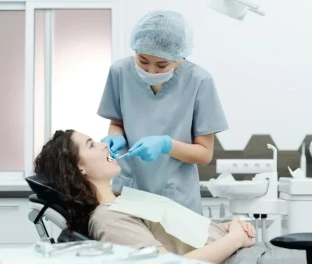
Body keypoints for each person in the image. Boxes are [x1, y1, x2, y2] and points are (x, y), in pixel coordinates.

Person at [34, 130, 307, 264]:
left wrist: (225, 226)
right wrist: (234, 239)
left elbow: (178, 236)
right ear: (78, 167)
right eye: (92, 144)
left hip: (249, 252)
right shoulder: (108, 219)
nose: (105, 143)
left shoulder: (121, 200)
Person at [97, 10, 229, 215]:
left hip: (176, 200)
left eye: (161, 65)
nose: (150, 71)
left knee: (180, 248)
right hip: (127, 193)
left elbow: (204, 154)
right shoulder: (120, 72)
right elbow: (117, 123)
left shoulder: (199, 81)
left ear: (179, 56)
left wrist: (166, 145)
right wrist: (116, 138)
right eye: (142, 60)